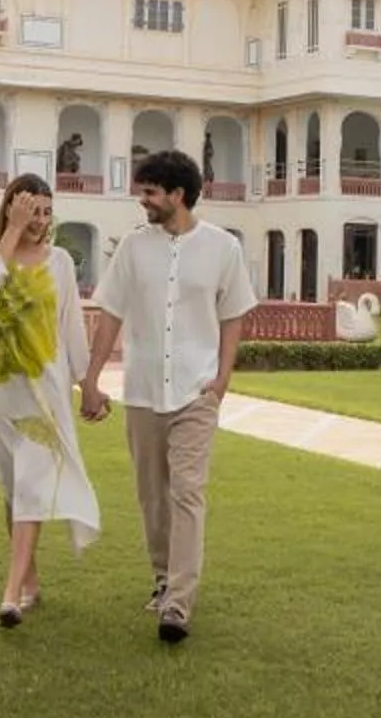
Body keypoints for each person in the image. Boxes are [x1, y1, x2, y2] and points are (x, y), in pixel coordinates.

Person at [81, 149, 256, 645]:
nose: (143, 201)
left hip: (195, 391)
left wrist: (222, 379)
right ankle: (163, 577)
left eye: (150, 192)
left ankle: (177, 604)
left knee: (187, 493)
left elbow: (233, 315)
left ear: (177, 194)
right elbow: (110, 313)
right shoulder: (134, 249)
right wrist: (91, 380)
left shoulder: (223, 248)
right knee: (152, 498)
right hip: (141, 391)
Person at [0, 174, 99, 627]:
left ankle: (10, 593)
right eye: (30, 211)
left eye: (45, 212)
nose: (40, 221)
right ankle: (32, 582)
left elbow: (71, 325)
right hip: (0, 392)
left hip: (46, 393)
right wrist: (13, 231)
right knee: (13, 489)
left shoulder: (59, 262)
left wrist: (88, 384)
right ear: (9, 209)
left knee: (32, 486)